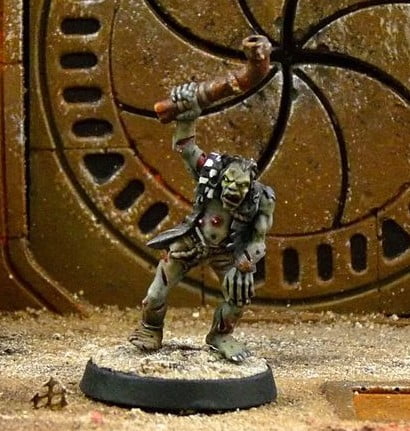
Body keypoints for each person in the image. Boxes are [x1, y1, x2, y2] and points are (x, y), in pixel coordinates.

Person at [129, 82, 275, 362]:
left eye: (240, 186)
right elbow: (186, 147)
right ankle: (150, 328)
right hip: (192, 241)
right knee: (156, 294)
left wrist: (244, 264)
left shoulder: (262, 199)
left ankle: (220, 335)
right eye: (229, 183)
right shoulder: (210, 173)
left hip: (228, 252)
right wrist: (188, 115)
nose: (232, 190)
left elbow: (259, 241)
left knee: (239, 297)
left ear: (250, 185)